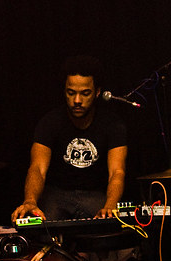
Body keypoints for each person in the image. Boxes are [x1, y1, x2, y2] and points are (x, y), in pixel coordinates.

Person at [11, 55, 127, 222]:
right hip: (56, 195)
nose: (77, 100)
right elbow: (37, 168)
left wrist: (110, 205)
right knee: (38, 224)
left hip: (95, 195)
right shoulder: (50, 122)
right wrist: (30, 201)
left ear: (97, 92)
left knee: (111, 227)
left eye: (85, 93)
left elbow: (117, 172)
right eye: (71, 93)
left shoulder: (113, 124)